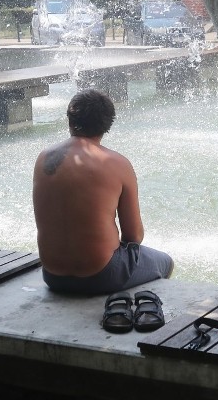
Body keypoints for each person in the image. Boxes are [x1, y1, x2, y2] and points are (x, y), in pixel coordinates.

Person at [32, 88, 174, 294]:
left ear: (70, 121)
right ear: (108, 125)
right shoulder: (117, 164)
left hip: (52, 276)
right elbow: (134, 235)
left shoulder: (43, 158)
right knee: (165, 262)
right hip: (101, 276)